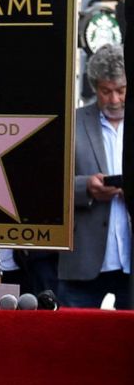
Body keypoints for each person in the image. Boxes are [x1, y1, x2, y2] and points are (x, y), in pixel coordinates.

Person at [57, 44, 131, 309]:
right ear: (94, 87)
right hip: (83, 260)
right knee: (72, 343)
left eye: (121, 91)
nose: (114, 100)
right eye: (106, 91)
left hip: (129, 260)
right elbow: (47, 184)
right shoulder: (71, 123)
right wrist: (84, 187)